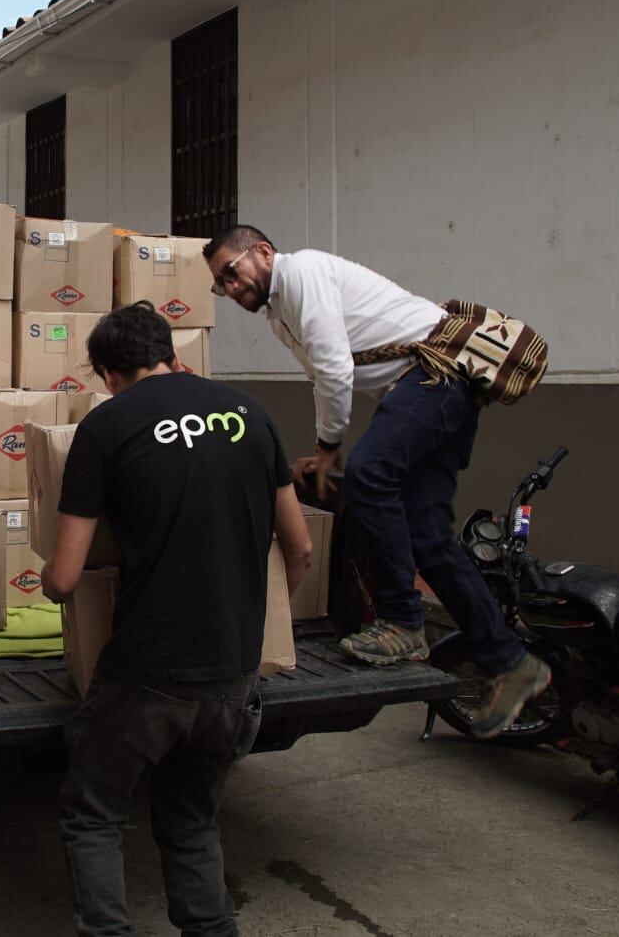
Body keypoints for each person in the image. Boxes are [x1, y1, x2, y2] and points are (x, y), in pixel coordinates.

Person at [202, 225, 549, 739]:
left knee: (367, 476)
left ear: (264, 252)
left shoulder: (302, 273)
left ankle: (403, 621)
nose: (230, 288)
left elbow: (335, 368)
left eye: (232, 272)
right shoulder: (280, 313)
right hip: (429, 391)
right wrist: (323, 446)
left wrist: (328, 447)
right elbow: (326, 375)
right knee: (428, 538)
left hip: (434, 378)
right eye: (221, 284)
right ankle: (511, 662)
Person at [41, 301, 312, 937]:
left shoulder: (106, 427)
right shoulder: (250, 414)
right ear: (170, 354)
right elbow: (299, 548)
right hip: (234, 671)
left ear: (108, 373)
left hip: (149, 669)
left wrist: (49, 585)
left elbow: (65, 577)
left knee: (94, 811)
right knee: (191, 818)